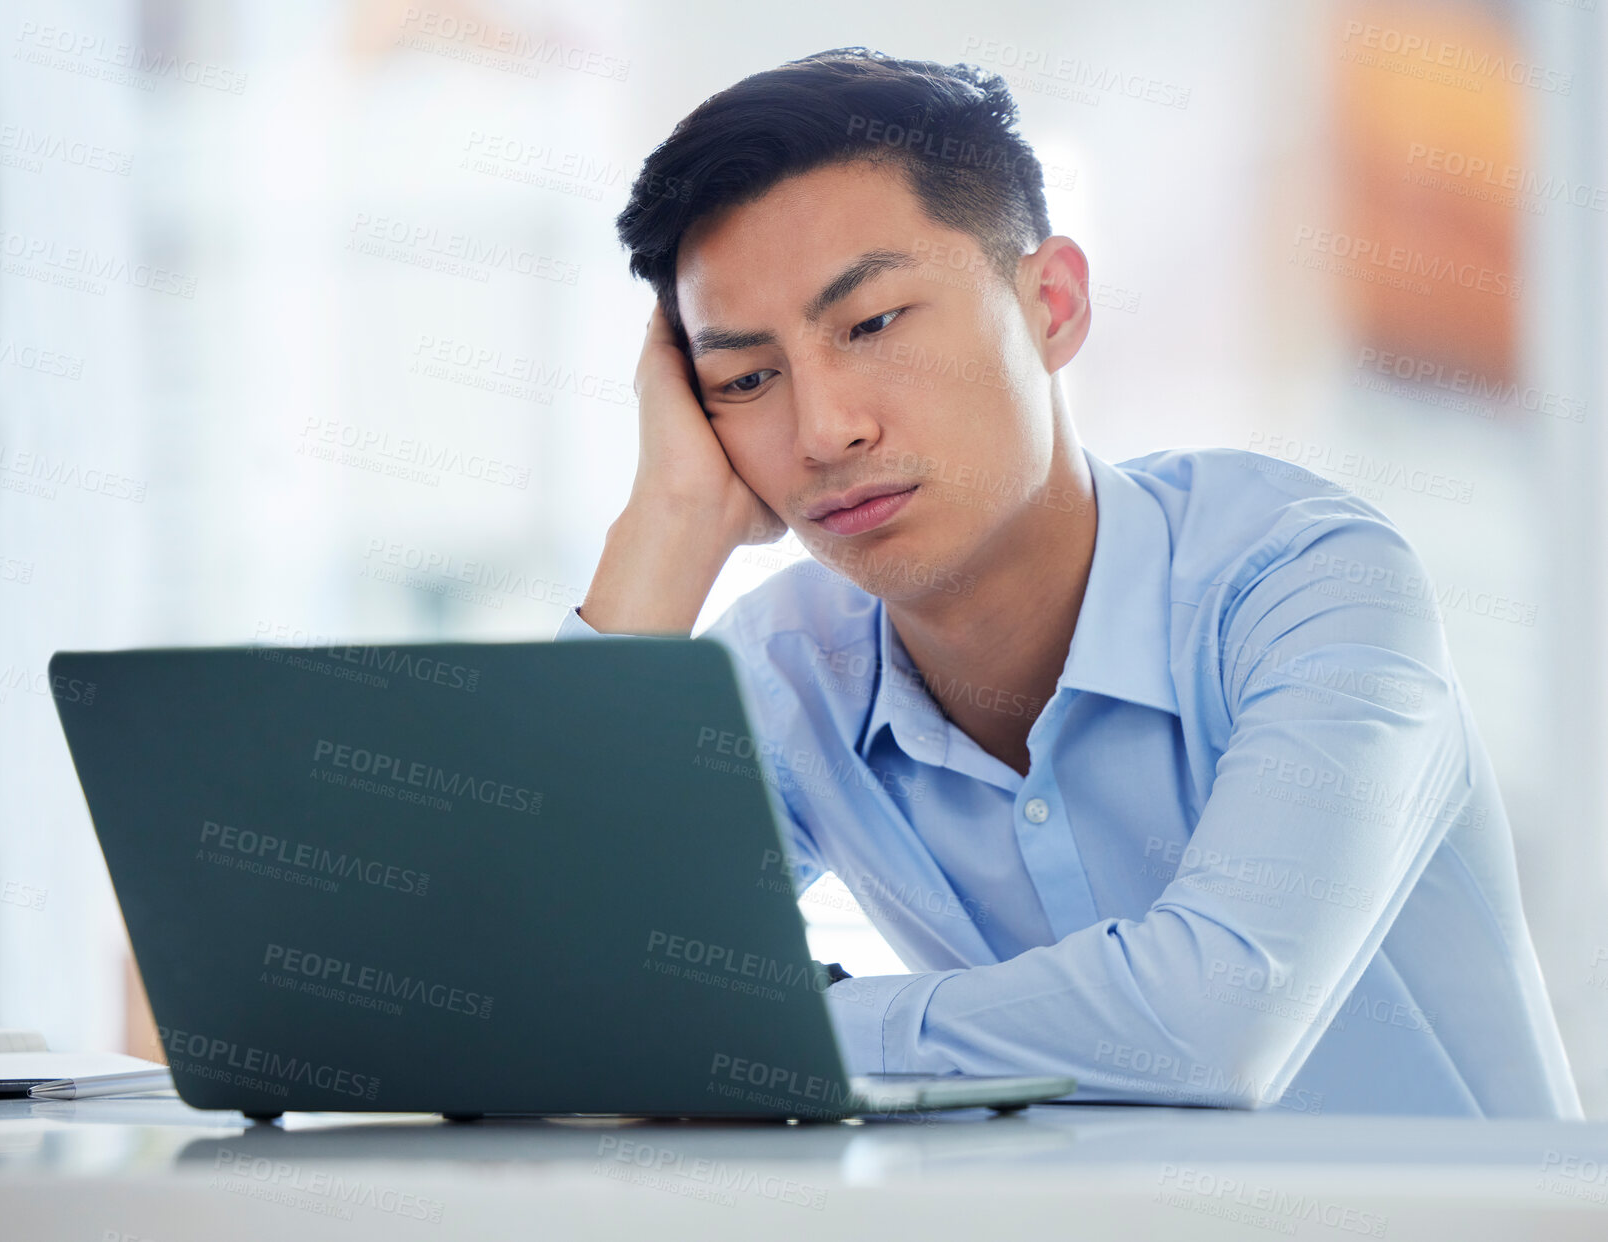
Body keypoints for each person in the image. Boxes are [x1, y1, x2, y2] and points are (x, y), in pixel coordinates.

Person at [556, 46, 1579, 1116]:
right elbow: (529, 979)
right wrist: (666, 526)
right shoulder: (789, 672)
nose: (822, 430)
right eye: (747, 378)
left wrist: (765, 1021)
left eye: (871, 325)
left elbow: (1208, 1025)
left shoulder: (1305, 583)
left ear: (1051, 303)